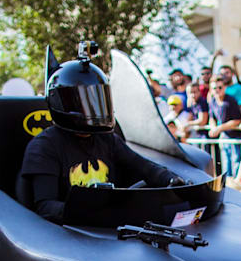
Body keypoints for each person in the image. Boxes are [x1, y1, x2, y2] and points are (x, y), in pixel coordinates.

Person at [19, 46, 183, 224]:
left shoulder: (107, 139)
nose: (92, 109)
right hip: (70, 231)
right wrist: (94, 213)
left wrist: (172, 180)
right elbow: (45, 207)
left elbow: (143, 166)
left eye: (97, 99)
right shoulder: (44, 146)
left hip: (108, 225)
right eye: (83, 101)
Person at [207, 77, 241, 177]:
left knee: (236, 163)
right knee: (226, 164)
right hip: (224, 137)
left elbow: (237, 120)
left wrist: (219, 128)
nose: (217, 90)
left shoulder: (231, 100)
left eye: (220, 87)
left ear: (224, 88)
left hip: (235, 137)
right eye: (215, 88)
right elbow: (212, 118)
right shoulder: (212, 102)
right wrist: (213, 127)